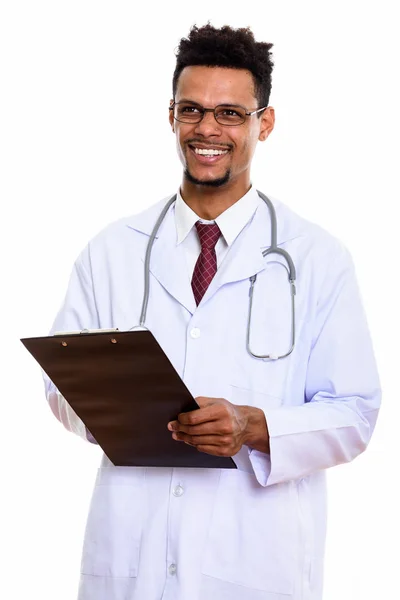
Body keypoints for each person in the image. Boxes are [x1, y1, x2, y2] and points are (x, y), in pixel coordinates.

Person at [44, 23, 381, 600]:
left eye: (230, 113)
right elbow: (60, 387)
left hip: (256, 565)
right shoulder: (111, 251)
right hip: (133, 559)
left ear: (263, 123)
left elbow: (354, 415)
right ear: (170, 116)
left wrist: (254, 426)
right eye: (192, 110)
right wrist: (120, 412)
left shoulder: (317, 258)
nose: (208, 129)